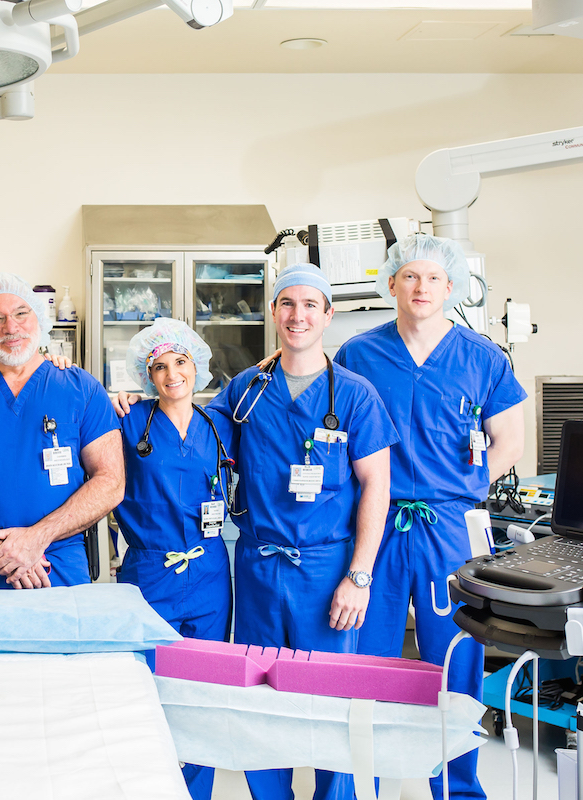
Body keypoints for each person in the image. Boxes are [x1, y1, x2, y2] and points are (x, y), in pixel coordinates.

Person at [333, 233, 525, 800]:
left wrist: (460, 487)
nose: (421, 287)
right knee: (367, 654)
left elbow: (508, 443)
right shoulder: (358, 354)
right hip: (379, 522)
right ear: (390, 283)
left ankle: (458, 786)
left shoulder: (483, 357)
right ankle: (361, 781)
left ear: (450, 287)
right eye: (409, 276)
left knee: (457, 652)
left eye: (433, 278)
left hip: (451, 526)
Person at [208, 263, 396, 800]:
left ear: (328, 315)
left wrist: (358, 578)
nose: (298, 315)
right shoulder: (246, 391)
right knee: (260, 697)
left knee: (332, 701)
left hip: (326, 569)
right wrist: (134, 400)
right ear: (273, 313)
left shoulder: (356, 396)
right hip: (260, 568)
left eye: (310, 304)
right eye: (287, 303)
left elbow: (376, 490)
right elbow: (191, 432)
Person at [0, 273, 125, 591]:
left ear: (39, 319)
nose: (10, 328)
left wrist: (37, 538)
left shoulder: (81, 388)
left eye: (20, 314)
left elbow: (111, 482)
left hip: (58, 566)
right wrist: (2, 549)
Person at [115, 318, 234, 800]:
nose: (171, 375)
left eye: (180, 362)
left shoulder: (218, 423)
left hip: (208, 572)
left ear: (196, 365)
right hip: (149, 572)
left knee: (201, 692)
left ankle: (197, 792)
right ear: (146, 376)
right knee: (146, 690)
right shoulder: (128, 420)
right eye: (158, 367)